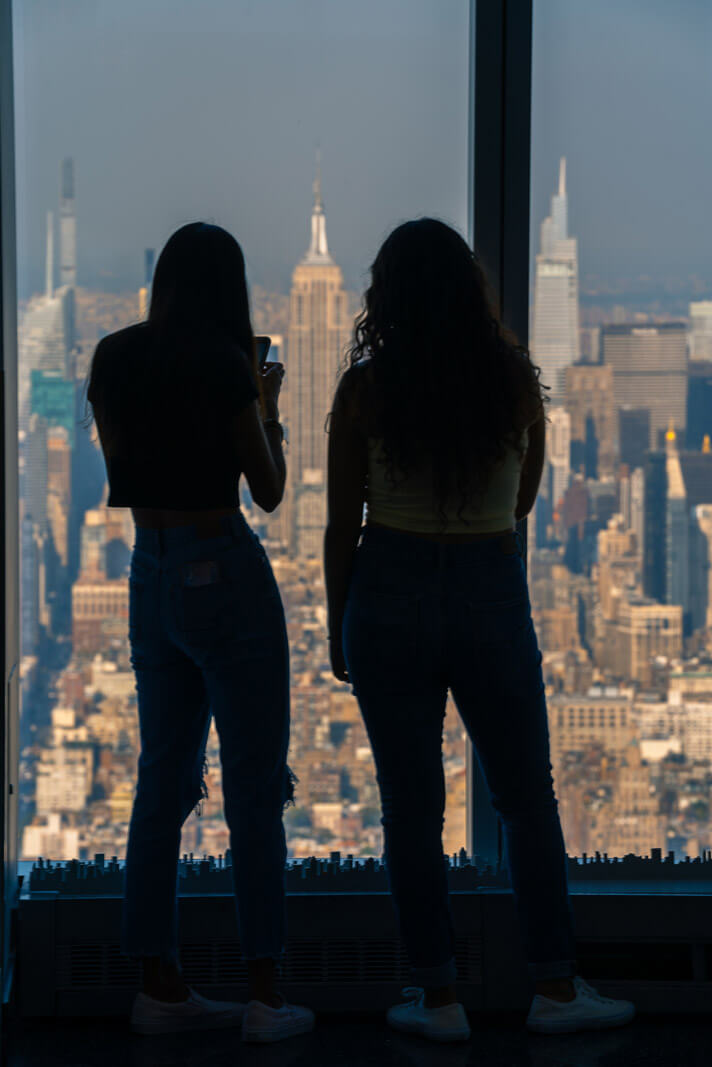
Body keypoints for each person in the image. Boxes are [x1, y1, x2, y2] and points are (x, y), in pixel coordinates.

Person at [324, 218, 636, 1042]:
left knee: (410, 806)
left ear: (383, 296)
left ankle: (437, 998)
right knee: (527, 795)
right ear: (472, 291)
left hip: (385, 589)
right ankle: (558, 988)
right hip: (486, 586)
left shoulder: (364, 390)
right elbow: (526, 499)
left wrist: (334, 626)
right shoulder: (514, 385)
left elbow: (337, 523)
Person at [86, 222, 313, 1043]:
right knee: (253, 792)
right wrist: (268, 405)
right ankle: (264, 994)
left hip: (150, 572)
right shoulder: (226, 367)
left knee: (161, 781)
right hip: (224, 568)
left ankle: (157, 981)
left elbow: (121, 469)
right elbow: (271, 489)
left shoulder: (113, 357)